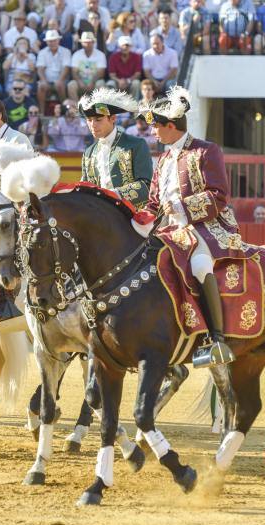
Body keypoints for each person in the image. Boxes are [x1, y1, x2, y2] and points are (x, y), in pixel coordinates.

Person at [136, 86, 253, 367]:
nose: (153, 132)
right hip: (169, 230)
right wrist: (138, 219)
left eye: (156, 127)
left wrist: (181, 208)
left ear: (171, 126)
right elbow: (153, 202)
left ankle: (217, 340)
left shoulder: (206, 150)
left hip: (206, 227)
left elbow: (219, 194)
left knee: (201, 266)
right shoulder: (163, 159)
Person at [79, 87, 152, 208]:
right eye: (89, 120)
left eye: (98, 119)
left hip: (133, 218)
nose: (93, 125)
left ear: (113, 118)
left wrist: (113, 195)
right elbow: (85, 190)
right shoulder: (88, 153)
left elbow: (146, 186)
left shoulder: (136, 144)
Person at [36, 29, 71, 114]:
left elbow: (66, 68)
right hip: (47, 81)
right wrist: (43, 80)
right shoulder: (42, 52)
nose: (52, 43)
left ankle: (64, 111)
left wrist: (60, 80)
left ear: (58, 40)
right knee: (41, 85)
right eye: (50, 41)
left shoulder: (66, 51)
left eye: (54, 40)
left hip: (62, 80)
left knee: (60, 85)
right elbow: (40, 69)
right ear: (47, 42)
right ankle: (41, 113)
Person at [67, 31, 106, 101]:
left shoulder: (100, 55)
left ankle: (100, 110)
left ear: (93, 42)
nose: (87, 44)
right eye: (85, 42)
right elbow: (74, 72)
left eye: (89, 42)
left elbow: (101, 73)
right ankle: (77, 109)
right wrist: (80, 82)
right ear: (81, 43)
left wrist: (93, 82)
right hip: (80, 82)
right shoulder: (76, 55)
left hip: (95, 82)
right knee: (71, 85)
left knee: (101, 84)